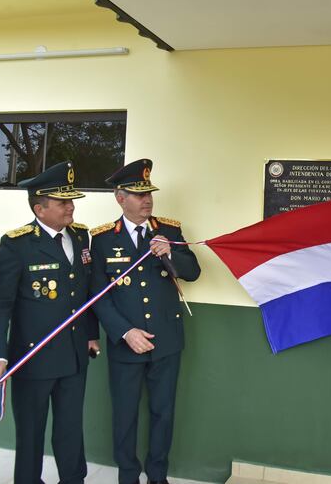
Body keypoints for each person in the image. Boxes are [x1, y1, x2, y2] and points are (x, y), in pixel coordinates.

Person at [0, 161, 99, 484]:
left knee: (70, 430)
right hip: (33, 357)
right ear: (40, 207)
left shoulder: (80, 236)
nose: (71, 207)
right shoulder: (17, 245)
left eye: (71, 200)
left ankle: (73, 479)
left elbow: (84, 294)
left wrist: (91, 335)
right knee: (31, 435)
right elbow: (0, 305)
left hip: (75, 356)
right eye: (63, 202)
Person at [90, 159, 200, 484]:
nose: (147, 200)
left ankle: (157, 476)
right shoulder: (103, 240)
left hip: (166, 340)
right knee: (124, 416)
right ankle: (127, 476)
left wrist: (171, 252)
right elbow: (98, 294)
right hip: (126, 344)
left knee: (163, 414)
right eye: (138, 194)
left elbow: (192, 272)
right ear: (119, 198)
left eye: (149, 193)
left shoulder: (168, 230)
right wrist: (125, 331)